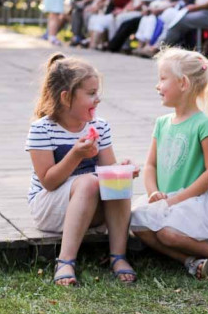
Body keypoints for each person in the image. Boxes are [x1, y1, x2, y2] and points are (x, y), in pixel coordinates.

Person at [130, 49, 208, 279]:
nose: (158, 85)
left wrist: (177, 199)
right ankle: (189, 261)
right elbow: (150, 165)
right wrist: (153, 192)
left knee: (167, 235)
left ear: (183, 83)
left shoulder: (205, 125)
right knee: (137, 224)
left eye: (163, 79)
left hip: (192, 201)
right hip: (165, 199)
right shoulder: (162, 123)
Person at [27, 53, 139, 285]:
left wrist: (122, 170)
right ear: (66, 97)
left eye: (97, 92)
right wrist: (76, 154)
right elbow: (48, 182)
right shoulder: (42, 130)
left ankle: (118, 256)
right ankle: (65, 261)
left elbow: (107, 171)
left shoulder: (100, 126)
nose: (98, 99)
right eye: (90, 93)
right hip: (49, 208)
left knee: (116, 180)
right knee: (88, 181)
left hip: (89, 209)